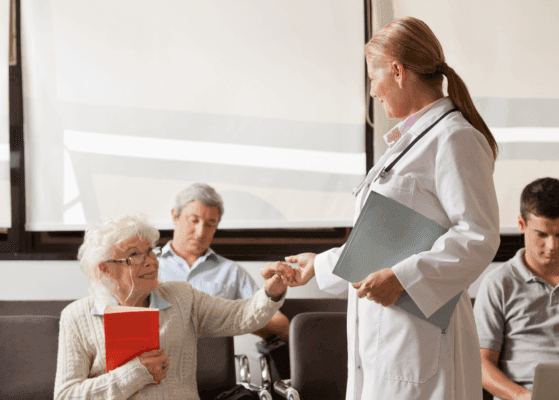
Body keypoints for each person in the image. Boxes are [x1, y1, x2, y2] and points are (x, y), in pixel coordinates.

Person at [285, 17, 500, 400]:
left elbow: (477, 237)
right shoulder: (410, 142)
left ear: (398, 71)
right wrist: (316, 266)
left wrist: (403, 278)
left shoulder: (455, 138)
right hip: (392, 337)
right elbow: (385, 243)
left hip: (424, 343)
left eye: (373, 77)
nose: (372, 91)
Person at [54, 214, 292, 400]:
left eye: (150, 251)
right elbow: (66, 395)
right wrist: (135, 373)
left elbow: (240, 317)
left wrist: (271, 292)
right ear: (104, 269)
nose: (150, 261)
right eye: (134, 255)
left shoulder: (181, 297)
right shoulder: (76, 317)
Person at [474, 178, 559, 400]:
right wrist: (522, 397)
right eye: (541, 234)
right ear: (522, 224)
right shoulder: (498, 284)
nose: (552, 246)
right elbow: (480, 364)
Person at [158, 183, 290, 341]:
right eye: (194, 220)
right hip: (158, 362)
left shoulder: (231, 272)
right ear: (175, 216)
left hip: (215, 363)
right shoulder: (147, 266)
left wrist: (227, 318)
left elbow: (281, 325)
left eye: (210, 224)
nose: (200, 233)